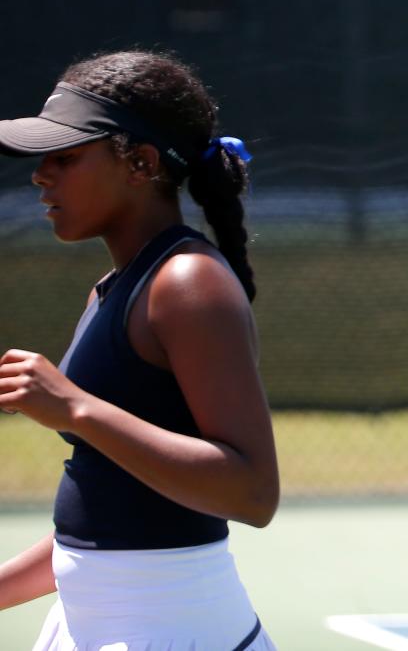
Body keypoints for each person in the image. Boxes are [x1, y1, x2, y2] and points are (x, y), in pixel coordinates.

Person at [0, 50, 279, 649]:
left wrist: (75, 408)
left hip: (174, 630)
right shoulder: (115, 287)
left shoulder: (187, 282)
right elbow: (109, 515)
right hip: (96, 626)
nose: (40, 174)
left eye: (65, 156)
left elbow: (253, 493)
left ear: (141, 163)